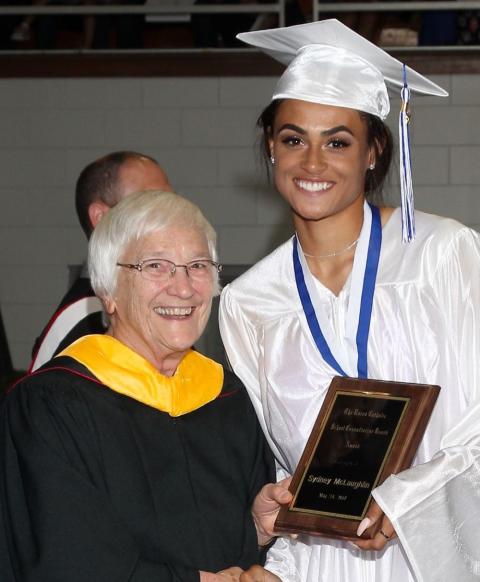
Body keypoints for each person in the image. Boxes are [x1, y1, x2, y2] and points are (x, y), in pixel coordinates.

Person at [219, 19, 480, 582]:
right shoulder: (249, 302)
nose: (313, 163)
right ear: (271, 147)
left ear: (373, 151)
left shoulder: (442, 256)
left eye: (337, 141)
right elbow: (294, 471)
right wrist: (279, 566)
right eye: (293, 139)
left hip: (434, 557)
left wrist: (406, 498)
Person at [0, 189, 292, 581]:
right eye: (156, 266)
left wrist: (253, 531)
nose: (184, 288)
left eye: (198, 265)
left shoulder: (226, 396)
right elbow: (67, 558)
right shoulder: (51, 405)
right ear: (108, 291)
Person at [29, 150, 172, 372]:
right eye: (150, 203)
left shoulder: (146, 304)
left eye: (171, 203)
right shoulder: (87, 319)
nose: (172, 216)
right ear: (102, 219)